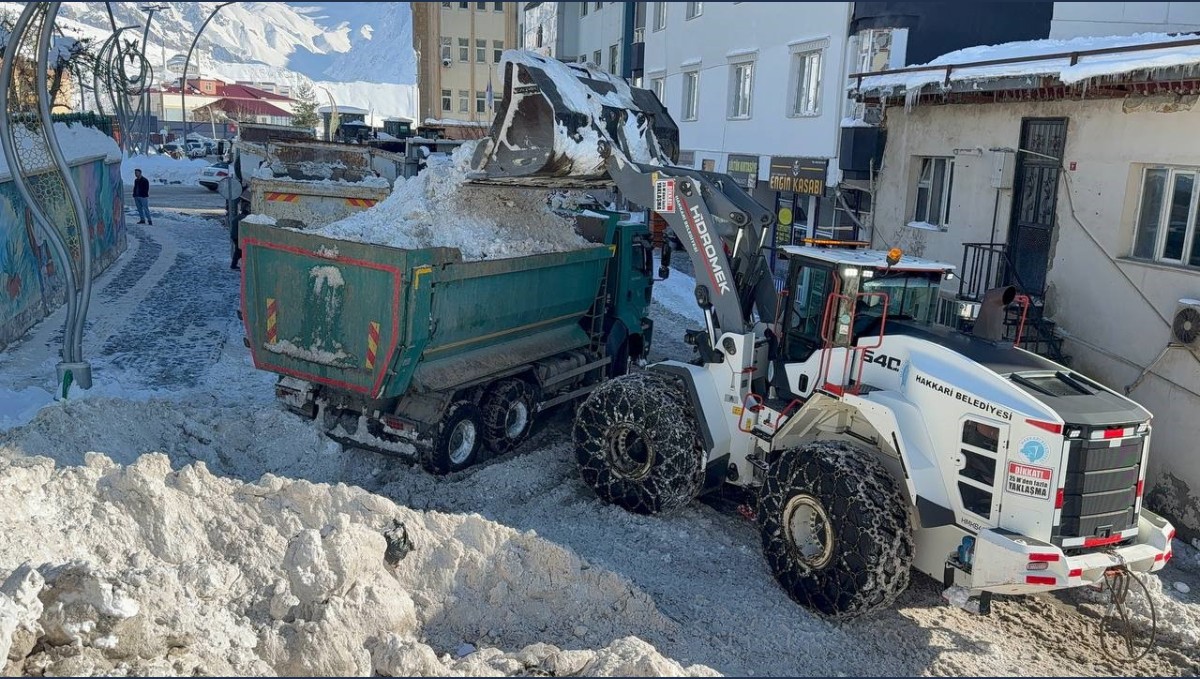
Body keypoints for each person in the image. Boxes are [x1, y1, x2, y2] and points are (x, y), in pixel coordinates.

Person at [230, 200, 249, 270]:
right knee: (239, 251)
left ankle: (234, 264)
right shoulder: (243, 218)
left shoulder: (238, 217)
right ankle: (234, 265)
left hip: (235, 236)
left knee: (238, 250)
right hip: (237, 236)